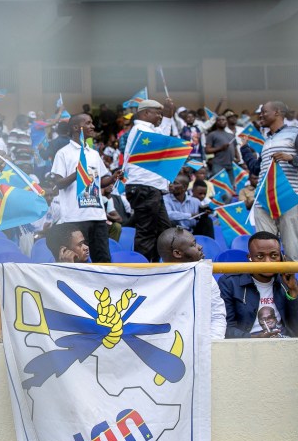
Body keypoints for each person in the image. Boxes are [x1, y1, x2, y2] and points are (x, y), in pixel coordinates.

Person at [50, 113, 120, 263]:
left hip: (97, 216)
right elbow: (59, 183)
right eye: (88, 123)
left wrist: (112, 178)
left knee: (103, 260)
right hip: (76, 218)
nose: (92, 126)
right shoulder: (63, 153)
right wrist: (77, 174)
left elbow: (99, 181)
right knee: (79, 261)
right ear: (76, 127)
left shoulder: (94, 154)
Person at [240, 100, 298, 261]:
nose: (260, 115)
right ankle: (272, 286)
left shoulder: (296, 132)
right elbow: (256, 169)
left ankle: (292, 285)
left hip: (288, 196)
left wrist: (291, 158)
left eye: (264, 112)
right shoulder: (267, 141)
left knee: (291, 249)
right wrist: (244, 149)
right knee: (265, 247)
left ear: (278, 113)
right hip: (263, 200)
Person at [122, 98, 177, 262]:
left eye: (161, 113)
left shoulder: (148, 130)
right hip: (145, 188)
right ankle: (143, 270)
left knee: (164, 232)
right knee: (147, 233)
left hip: (151, 189)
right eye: (158, 113)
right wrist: (168, 117)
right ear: (146, 113)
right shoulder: (141, 129)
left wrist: (167, 116)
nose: (160, 116)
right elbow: (165, 143)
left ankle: (154, 265)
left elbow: (163, 137)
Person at [217, 231, 298, 338]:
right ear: (250, 258)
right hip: (248, 346)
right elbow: (224, 328)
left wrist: (293, 292)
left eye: (274, 255)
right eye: (260, 256)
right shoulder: (229, 282)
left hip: (283, 343)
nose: (268, 262)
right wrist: (253, 338)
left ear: (282, 258)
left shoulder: (286, 281)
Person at [156, 227, 226, 339]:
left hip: (202, 347)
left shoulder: (206, 276)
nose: (200, 247)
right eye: (193, 245)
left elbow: (216, 315)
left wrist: (213, 344)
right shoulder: (154, 282)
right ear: (178, 253)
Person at [205, 115, 236, 181]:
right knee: (219, 183)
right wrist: (220, 148)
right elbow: (207, 150)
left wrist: (238, 158)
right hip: (218, 164)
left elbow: (235, 147)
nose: (221, 121)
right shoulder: (212, 134)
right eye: (219, 120)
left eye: (223, 120)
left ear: (226, 122)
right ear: (216, 122)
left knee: (231, 185)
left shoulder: (231, 135)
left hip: (231, 165)